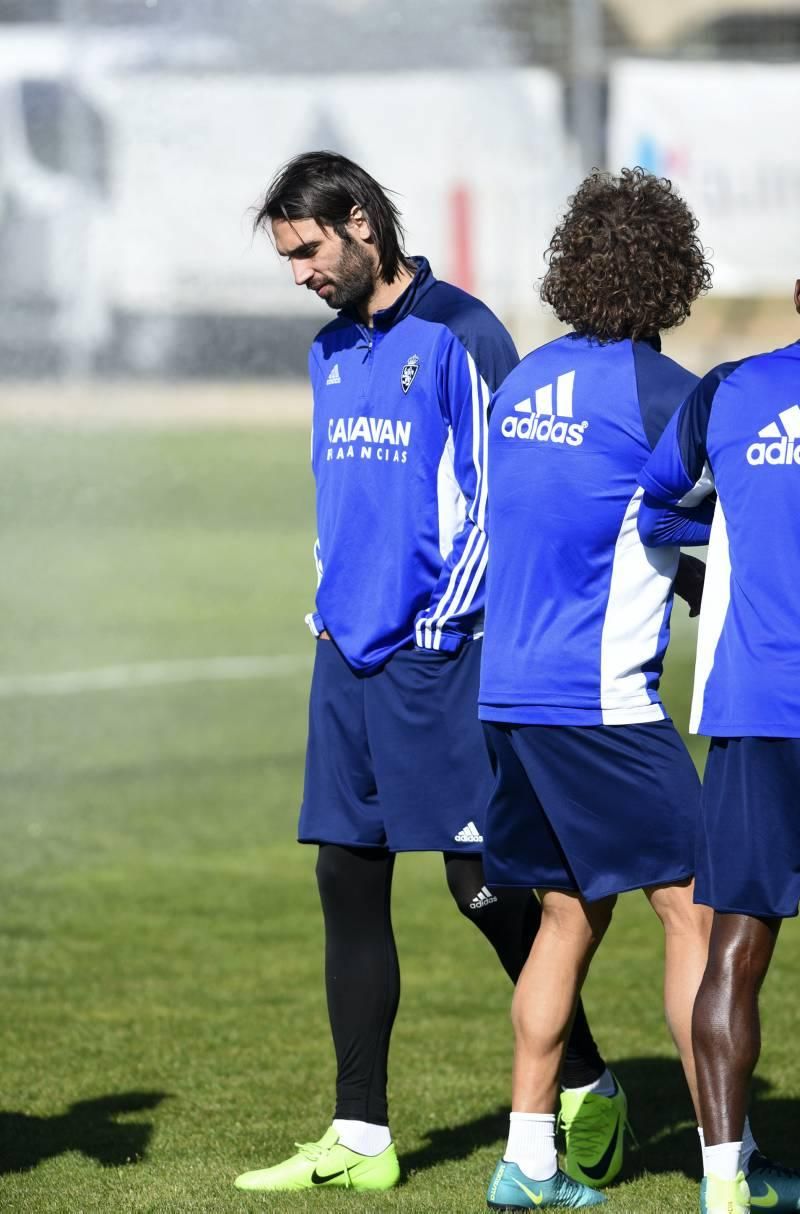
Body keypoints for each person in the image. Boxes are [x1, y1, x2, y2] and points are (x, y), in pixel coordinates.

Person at [234, 151, 624, 1195]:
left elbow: (504, 497)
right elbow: (338, 496)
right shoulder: (325, 351)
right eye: (287, 258)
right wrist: (326, 599)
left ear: (361, 223)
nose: (301, 274)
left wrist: (442, 623)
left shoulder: (462, 332)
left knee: (478, 882)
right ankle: (360, 1133)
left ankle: (582, 1074)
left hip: (435, 657)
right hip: (344, 658)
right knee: (344, 881)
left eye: (309, 249)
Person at [476, 167, 717, 1210]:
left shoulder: (524, 380)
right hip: (601, 702)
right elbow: (715, 534)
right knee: (698, 907)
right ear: (672, 275)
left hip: (507, 697)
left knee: (565, 917)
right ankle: (729, 1162)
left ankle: (525, 1163)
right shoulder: (663, 394)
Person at [639, 281, 800, 1214]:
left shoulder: (730, 389)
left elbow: (656, 506)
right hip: (757, 706)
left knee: (735, 950)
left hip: (755, 706)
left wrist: (722, 544)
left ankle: (723, 1189)